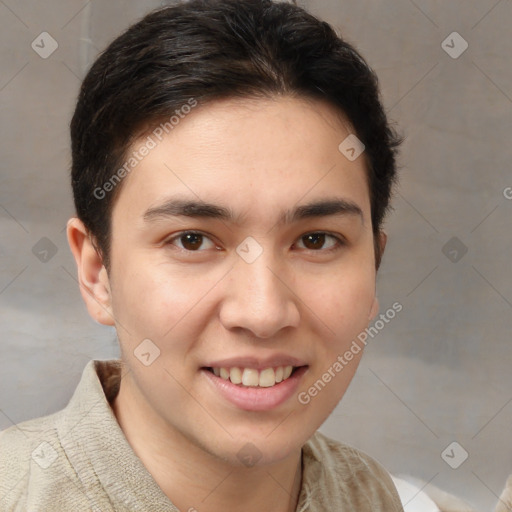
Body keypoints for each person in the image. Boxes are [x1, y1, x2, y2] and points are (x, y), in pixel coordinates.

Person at [0, 0, 405, 510]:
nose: (262, 312)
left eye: (316, 240)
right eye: (192, 240)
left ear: (374, 266)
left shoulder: (368, 494)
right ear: (98, 272)